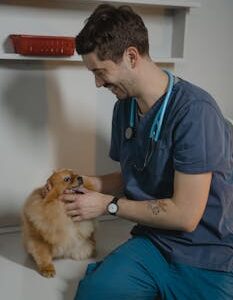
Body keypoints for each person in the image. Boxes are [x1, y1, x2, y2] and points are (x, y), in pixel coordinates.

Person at [60, 4, 233, 300]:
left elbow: (186, 216)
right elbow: (134, 176)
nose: (98, 83)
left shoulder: (195, 112)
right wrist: (84, 184)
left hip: (209, 251)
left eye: (101, 72)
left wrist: (106, 205)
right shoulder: (123, 109)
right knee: (93, 294)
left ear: (131, 56)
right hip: (155, 241)